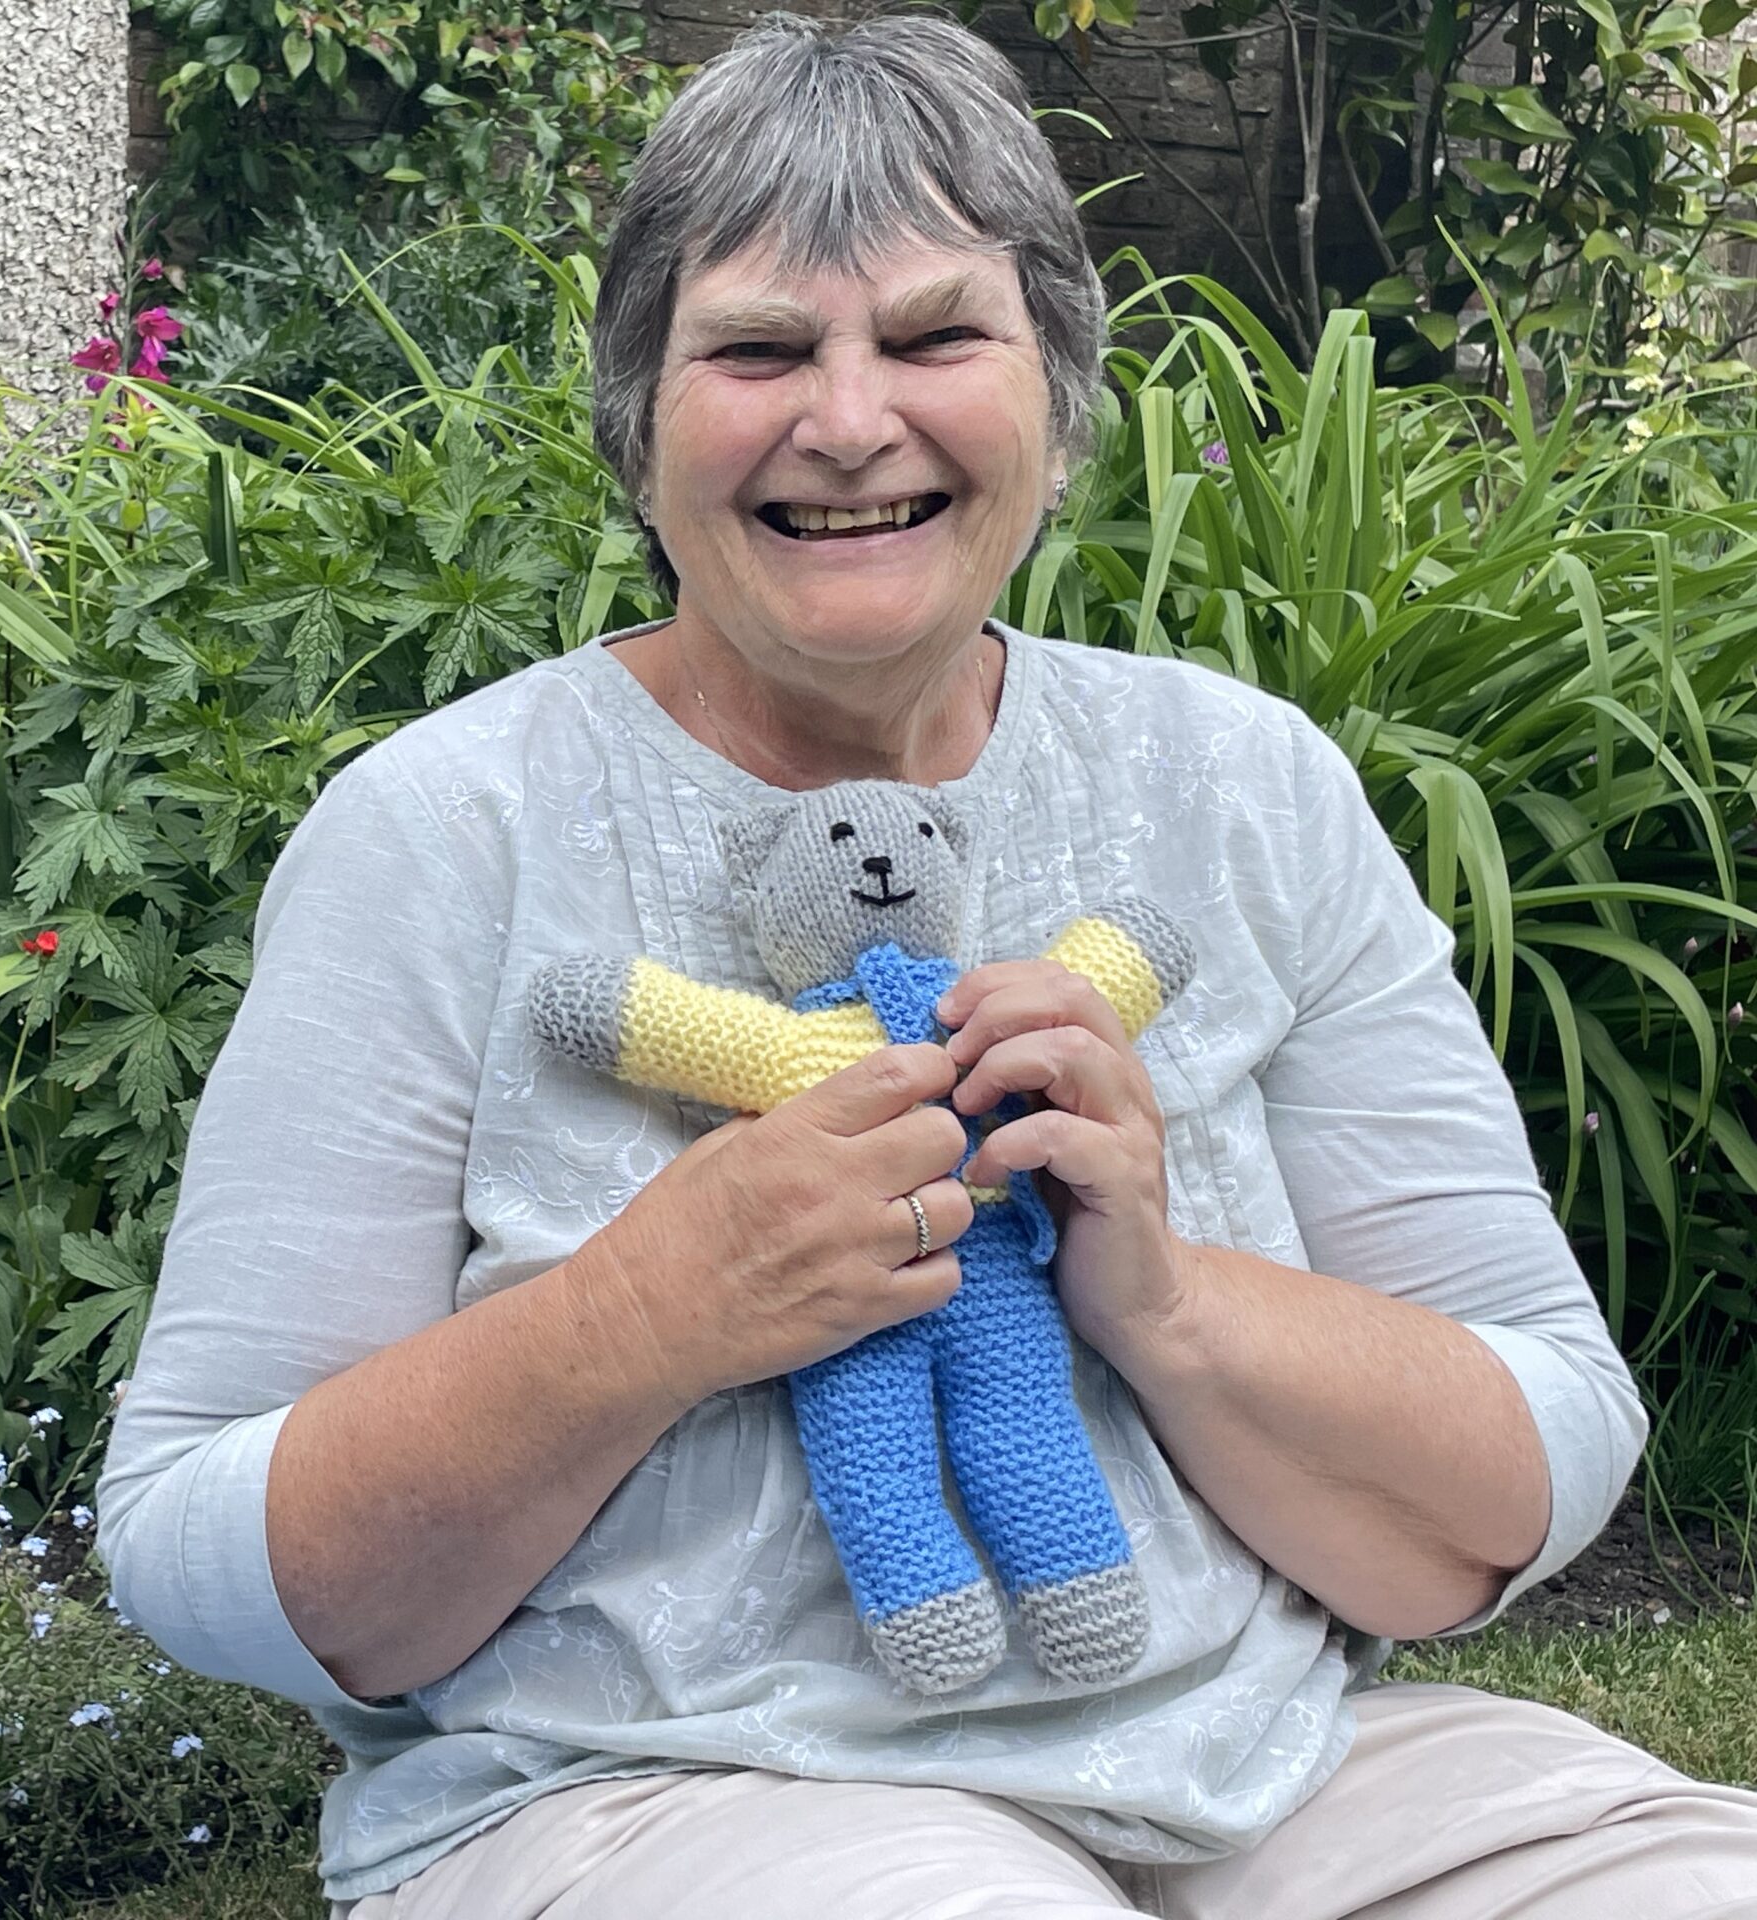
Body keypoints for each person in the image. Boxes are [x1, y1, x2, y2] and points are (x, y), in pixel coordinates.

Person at [96, 13, 1757, 1916]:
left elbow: (1538, 1449)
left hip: (1284, 1767)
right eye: (758, 346)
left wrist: (1166, 1298)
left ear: (1060, 391)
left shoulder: (1238, 788)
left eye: (935, 334)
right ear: (636, 422)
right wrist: (657, 1308)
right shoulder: (446, 832)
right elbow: (197, 1553)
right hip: (653, 1789)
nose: (849, 417)